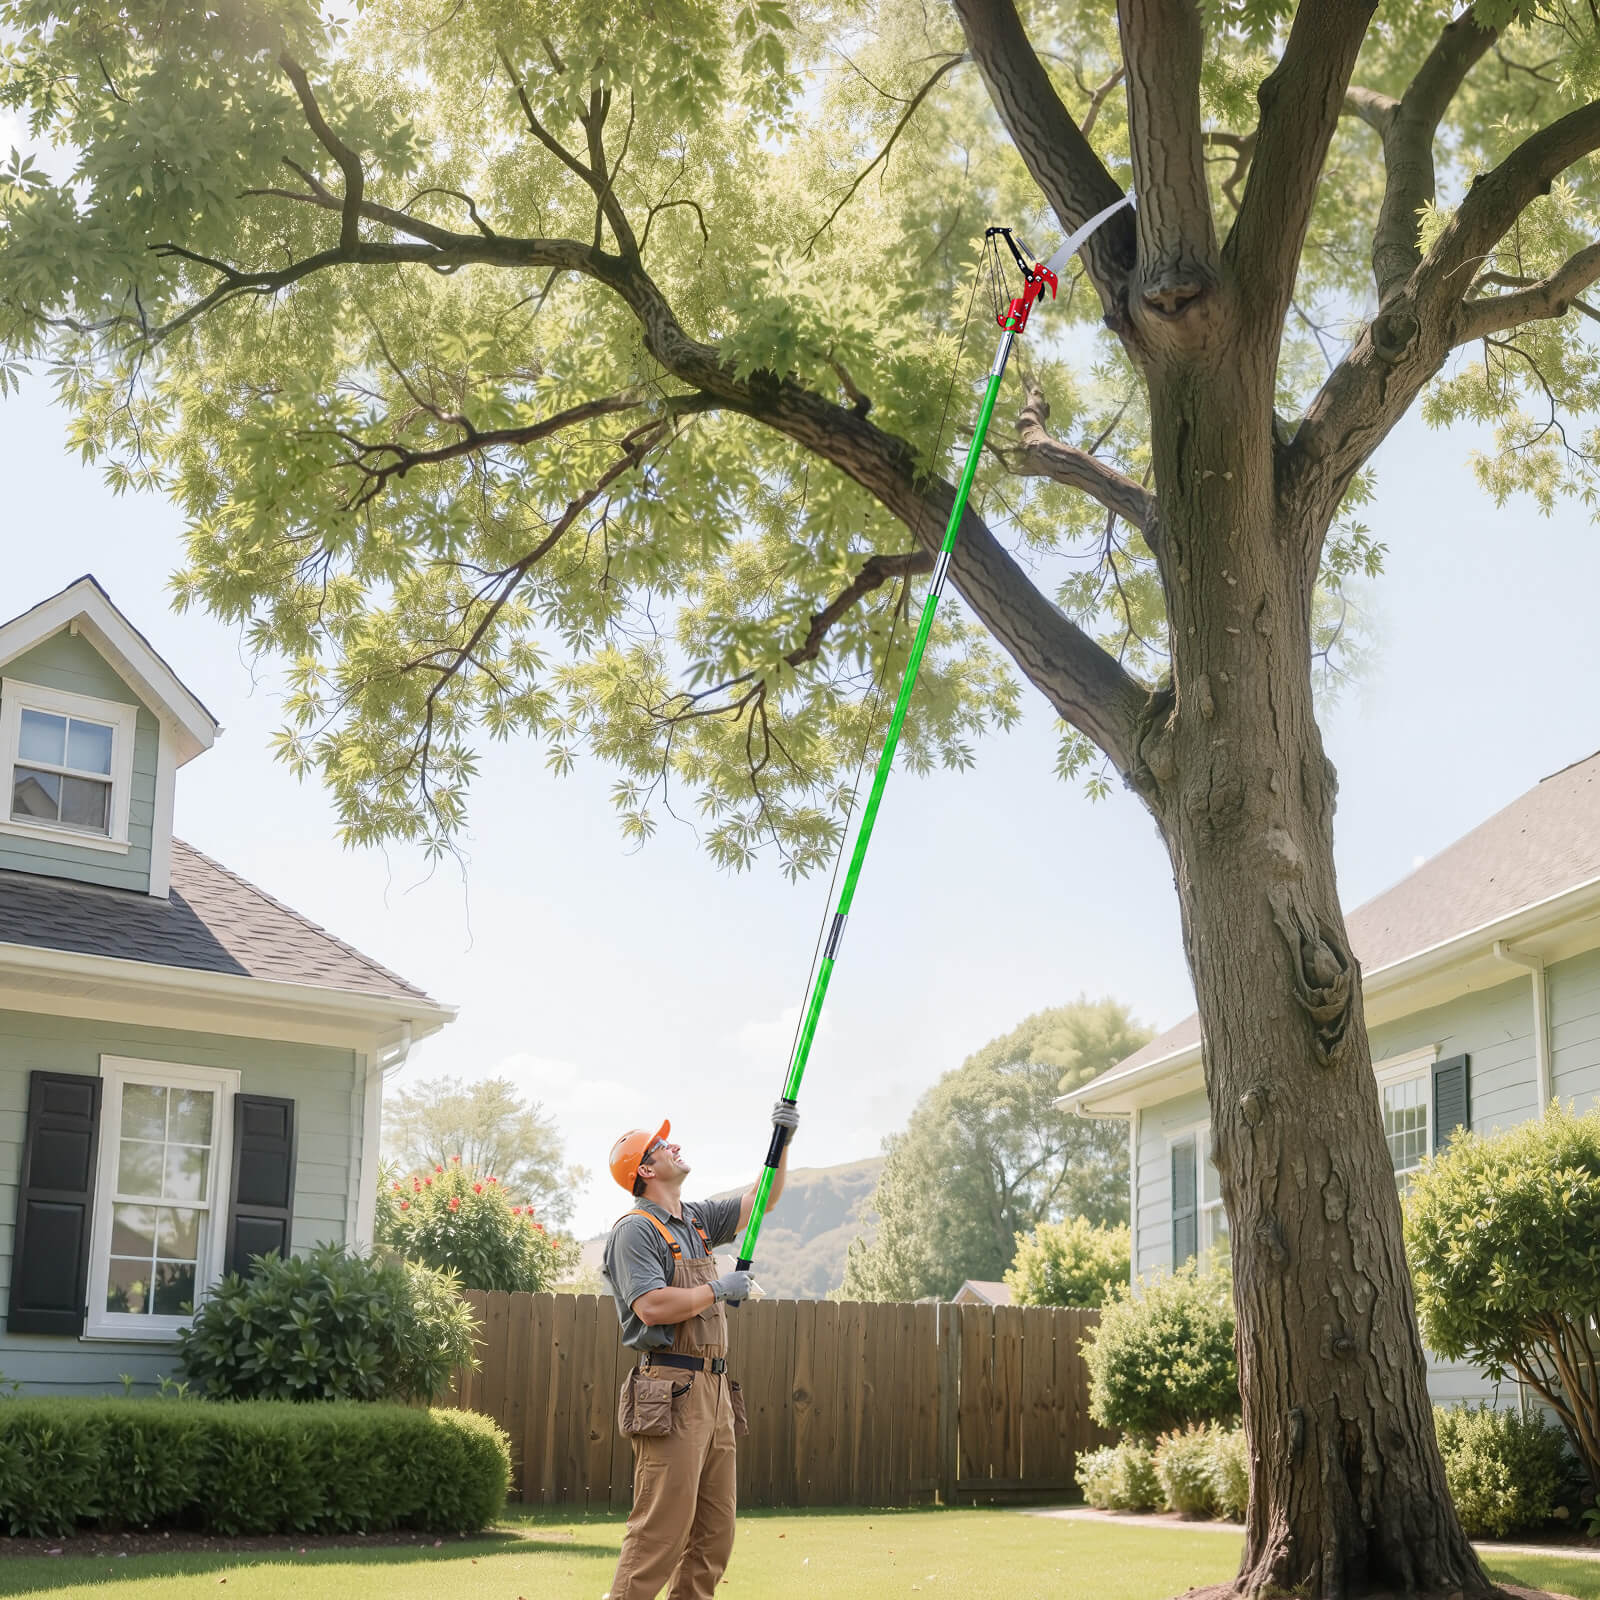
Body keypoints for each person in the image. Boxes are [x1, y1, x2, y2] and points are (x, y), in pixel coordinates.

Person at [601, 1103, 798, 1600]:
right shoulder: (635, 1231)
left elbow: (762, 1201)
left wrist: (783, 1140)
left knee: (714, 1534)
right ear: (645, 1170)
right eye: (663, 1145)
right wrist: (718, 1288)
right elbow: (651, 1305)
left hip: (716, 1391)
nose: (676, 1146)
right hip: (670, 1389)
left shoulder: (697, 1220)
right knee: (660, 1532)